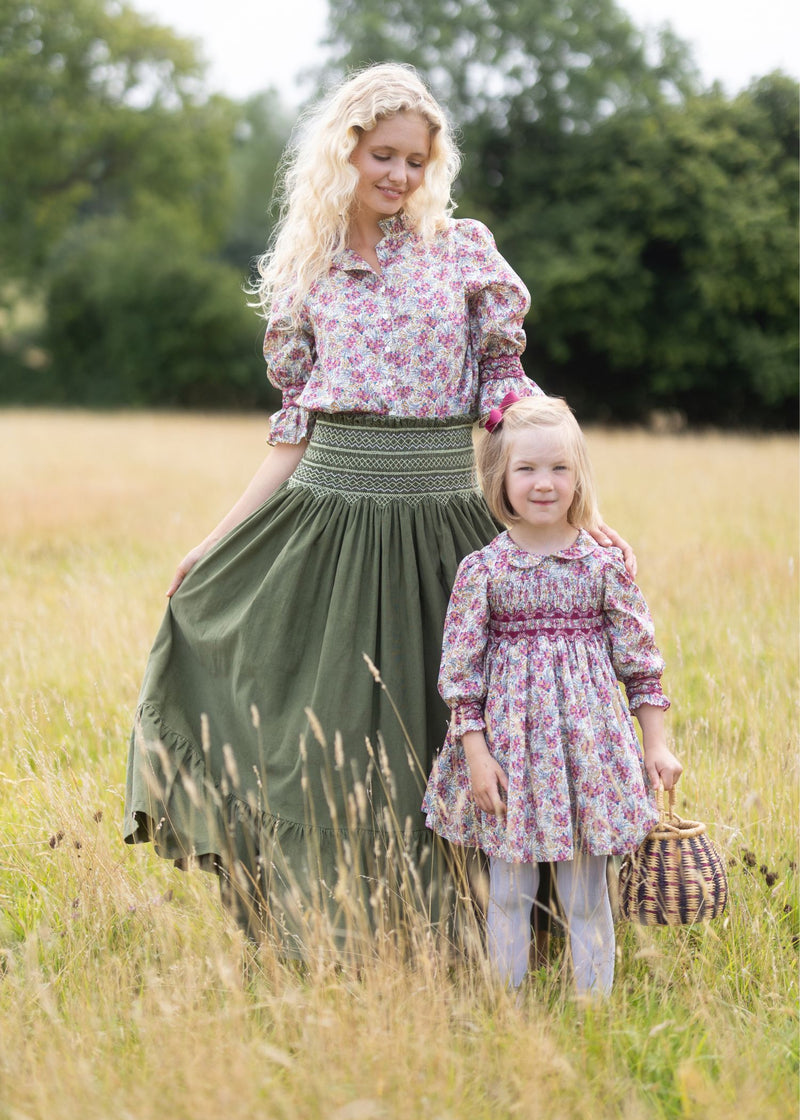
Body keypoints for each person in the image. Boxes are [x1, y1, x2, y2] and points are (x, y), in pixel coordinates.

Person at [123, 62, 633, 956]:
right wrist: (216, 542)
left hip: (447, 523)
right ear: (344, 149)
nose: (398, 175)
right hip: (333, 523)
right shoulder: (306, 272)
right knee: (333, 738)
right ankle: (347, 929)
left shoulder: (463, 250)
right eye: (382, 154)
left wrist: (576, 508)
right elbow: (292, 431)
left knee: (474, 724)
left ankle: (490, 932)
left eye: (416, 160)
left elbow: (509, 394)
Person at [422, 394, 682, 995]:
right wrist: (476, 754)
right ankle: (507, 1013)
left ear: (579, 475)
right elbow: (460, 677)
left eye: (559, 468)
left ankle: (594, 1017)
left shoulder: (603, 566)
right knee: (510, 889)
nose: (544, 483)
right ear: (500, 479)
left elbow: (641, 665)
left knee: (586, 893)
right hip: (510, 756)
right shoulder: (482, 571)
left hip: (586, 758)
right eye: (527, 469)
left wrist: (657, 747)